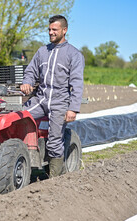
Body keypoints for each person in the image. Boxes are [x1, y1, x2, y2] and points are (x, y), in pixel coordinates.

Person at [20, 15, 84, 177]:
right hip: (40, 100)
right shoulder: (42, 51)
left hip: (60, 102)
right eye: (49, 29)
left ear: (64, 30)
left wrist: (73, 109)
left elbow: (76, 83)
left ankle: (56, 179)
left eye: (54, 30)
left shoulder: (74, 55)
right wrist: (27, 82)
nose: (51, 32)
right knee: (18, 117)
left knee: (55, 140)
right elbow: (30, 71)